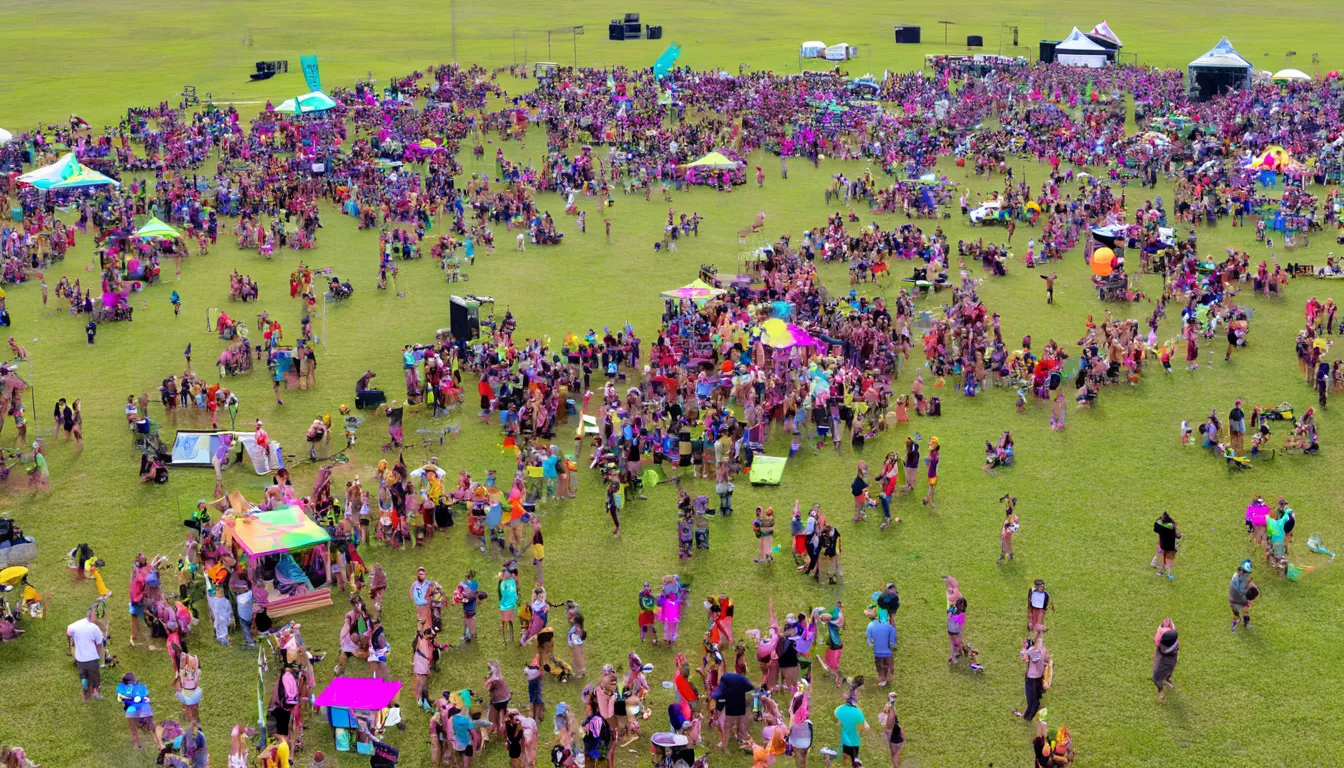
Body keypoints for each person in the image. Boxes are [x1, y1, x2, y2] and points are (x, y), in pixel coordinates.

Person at [67, 607, 105, 702]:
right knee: (95, 678)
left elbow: (68, 631)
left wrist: (71, 639)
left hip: (79, 659)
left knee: (83, 675)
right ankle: (94, 693)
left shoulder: (76, 625)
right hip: (91, 659)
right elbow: (99, 644)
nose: (96, 616)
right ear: (91, 616)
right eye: (95, 614)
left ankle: (85, 691)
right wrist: (98, 655)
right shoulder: (94, 628)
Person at [1014, 635, 1049, 721]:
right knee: (1033, 701)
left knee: (1034, 701)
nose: (1041, 641)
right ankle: (1027, 716)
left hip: (1035, 679)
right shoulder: (1037, 650)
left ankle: (1028, 717)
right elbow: (1028, 657)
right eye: (1040, 639)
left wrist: (1025, 651)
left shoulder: (1037, 650)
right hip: (1034, 678)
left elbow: (1026, 658)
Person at [832, 692, 868, 768]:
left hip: (845, 740)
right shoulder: (858, 712)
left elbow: (837, 722)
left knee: (845, 759)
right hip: (855, 741)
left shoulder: (840, 709)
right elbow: (863, 728)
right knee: (853, 759)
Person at [865, 611, 896, 687]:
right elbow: (892, 634)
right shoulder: (886, 625)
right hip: (887, 652)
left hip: (878, 652)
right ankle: (888, 678)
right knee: (888, 665)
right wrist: (893, 643)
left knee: (880, 666)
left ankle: (883, 679)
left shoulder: (870, 626)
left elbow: (869, 640)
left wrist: (872, 643)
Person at [1152, 618, 1179, 702]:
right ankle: (1161, 692)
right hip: (1165, 657)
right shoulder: (1170, 640)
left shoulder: (1165, 635)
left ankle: (1166, 681)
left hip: (1170, 657)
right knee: (1158, 675)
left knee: (1167, 670)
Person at [1229, 559, 1256, 632]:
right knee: (1237, 612)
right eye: (1245, 572)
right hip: (1236, 598)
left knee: (1245, 610)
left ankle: (1246, 622)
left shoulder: (1244, 577)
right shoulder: (1235, 578)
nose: (1246, 574)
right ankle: (1236, 622)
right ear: (1241, 570)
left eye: (1247, 573)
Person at [878, 692, 903, 768]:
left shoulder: (889, 709)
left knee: (894, 753)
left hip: (894, 734)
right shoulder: (889, 707)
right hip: (894, 733)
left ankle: (895, 765)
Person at [1153, 512, 1180, 580]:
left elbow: (1156, 526)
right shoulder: (1171, 526)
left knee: (1162, 558)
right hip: (1170, 547)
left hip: (1162, 545)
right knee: (1169, 560)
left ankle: (1160, 571)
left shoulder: (1159, 525)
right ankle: (1167, 572)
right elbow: (1177, 535)